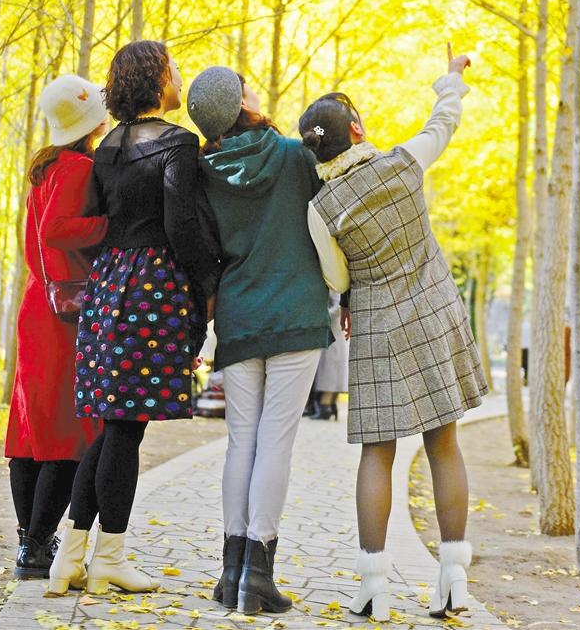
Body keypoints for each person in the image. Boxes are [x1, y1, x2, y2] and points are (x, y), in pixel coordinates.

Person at [299, 45, 488, 622]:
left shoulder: (320, 208)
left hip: (377, 325)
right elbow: (443, 123)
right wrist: (450, 80)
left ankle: (374, 588)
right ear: (356, 130)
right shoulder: (404, 163)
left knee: (377, 453)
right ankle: (453, 580)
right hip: (435, 314)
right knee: (444, 444)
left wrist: (356, 288)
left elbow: (337, 278)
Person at [49, 41, 219, 596]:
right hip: (152, 287)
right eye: (174, 70)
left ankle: (69, 559)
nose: (180, 79)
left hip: (108, 285)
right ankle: (109, 560)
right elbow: (181, 225)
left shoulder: (109, 146)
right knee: (126, 429)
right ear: (156, 79)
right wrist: (208, 283)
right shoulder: (178, 143)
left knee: (113, 426)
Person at [187, 67, 333, 616]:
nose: (254, 90)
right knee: (275, 444)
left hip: (239, 315)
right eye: (246, 86)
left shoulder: (202, 171)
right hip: (296, 313)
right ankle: (259, 574)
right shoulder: (297, 156)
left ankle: (230, 572)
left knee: (240, 443)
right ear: (241, 104)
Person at [4, 74, 109, 578]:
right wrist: (110, 226)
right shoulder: (79, 167)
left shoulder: (43, 167)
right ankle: (36, 546)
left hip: (37, 306)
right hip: (63, 314)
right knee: (68, 434)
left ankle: (31, 543)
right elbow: (56, 230)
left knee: (31, 433)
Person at [309, 292, 349, 420]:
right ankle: (329, 405)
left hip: (334, 331)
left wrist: (321, 315)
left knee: (330, 372)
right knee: (330, 372)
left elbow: (338, 307)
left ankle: (326, 405)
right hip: (332, 331)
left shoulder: (335, 286)